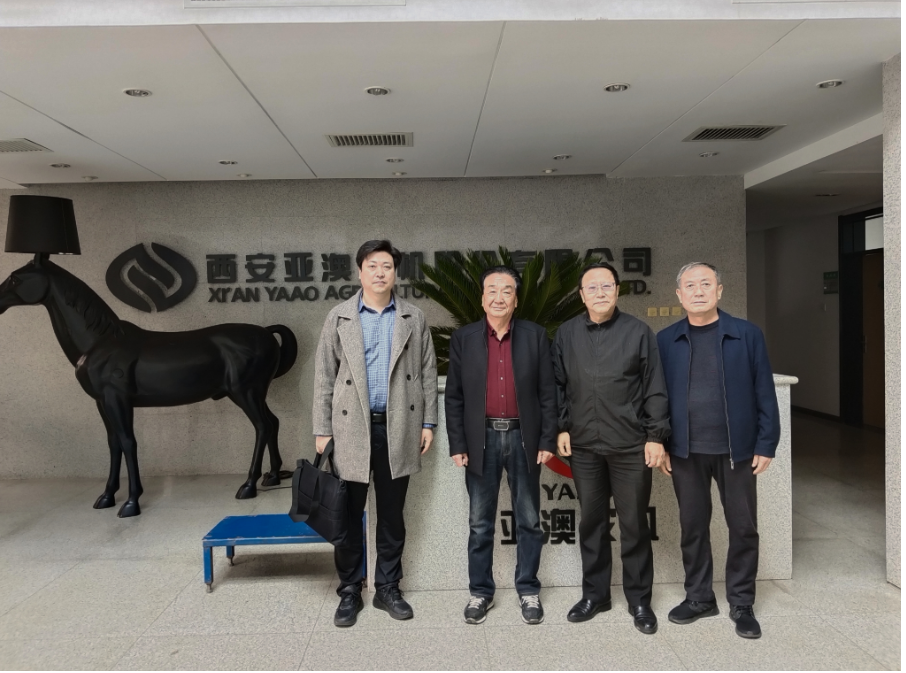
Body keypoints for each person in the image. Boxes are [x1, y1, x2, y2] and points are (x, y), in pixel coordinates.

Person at [312, 239, 438, 627]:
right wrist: (321, 429)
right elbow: (324, 376)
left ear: (395, 272)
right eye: (372, 266)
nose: (380, 272)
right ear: (359, 272)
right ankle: (350, 589)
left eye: (386, 266)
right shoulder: (339, 317)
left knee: (392, 515)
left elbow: (428, 372)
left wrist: (428, 422)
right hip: (350, 429)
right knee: (348, 514)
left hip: (397, 427)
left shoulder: (413, 317)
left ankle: (387, 587)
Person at [656, 262, 780, 640]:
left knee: (743, 527)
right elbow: (657, 397)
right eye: (690, 286)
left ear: (719, 291)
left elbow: (764, 390)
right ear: (679, 295)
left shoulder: (746, 334)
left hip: (737, 450)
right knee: (693, 526)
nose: (698, 291)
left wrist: (766, 442)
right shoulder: (666, 340)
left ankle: (741, 602)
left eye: (705, 284)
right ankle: (699, 598)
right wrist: (660, 441)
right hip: (685, 451)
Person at [552, 261, 669, 634]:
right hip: (584, 446)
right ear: (581, 295)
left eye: (606, 286)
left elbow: (655, 388)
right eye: (592, 287)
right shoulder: (567, 334)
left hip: (630, 446)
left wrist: (655, 436)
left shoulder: (638, 332)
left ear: (617, 291)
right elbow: (557, 385)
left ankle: (639, 600)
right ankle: (595, 595)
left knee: (634, 524)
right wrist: (561, 427)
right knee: (592, 523)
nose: (600, 292)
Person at [445, 266, 558, 625]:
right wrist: (458, 443)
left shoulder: (535, 336)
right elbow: (454, 396)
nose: (499, 297)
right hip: (482, 440)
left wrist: (547, 438)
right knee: (480, 523)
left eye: (506, 291)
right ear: (482, 299)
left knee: (529, 520)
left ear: (516, 300)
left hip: (525, 438)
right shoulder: (464, 338)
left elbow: (548, 393)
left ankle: (528, 589)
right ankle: (480, 591)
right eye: (492, 290)